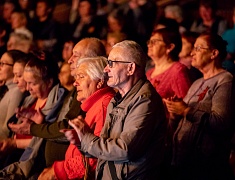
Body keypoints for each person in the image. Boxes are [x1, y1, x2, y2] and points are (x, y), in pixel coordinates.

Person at [3, 38, 107, 179]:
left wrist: (32, 130)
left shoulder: (101, 104)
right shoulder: (82, 94)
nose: (69, 59)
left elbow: (95, 155)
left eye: (75, 55)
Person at [64, 40, 167, 179]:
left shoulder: (145, 100)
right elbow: (105, 148)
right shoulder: (116, 99)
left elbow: (125, 149)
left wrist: (88, 139)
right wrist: (81, 141)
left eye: (112, 63)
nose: (106, 69)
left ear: (130, 69)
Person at [164, 33, 235, 179]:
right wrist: (175, 112)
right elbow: (183, 119)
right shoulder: (197, 82)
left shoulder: (225, 80)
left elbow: (220, 122)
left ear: (214, 53)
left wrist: (186, 110)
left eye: (198, 48)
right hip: (184, 162)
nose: (192, 53)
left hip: (206, 167)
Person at [38, 56, 116, 179]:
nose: (75, 82)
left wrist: (58, 171)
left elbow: (97, 158)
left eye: (81, 76)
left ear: (100, 81)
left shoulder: (104, 106)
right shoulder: (96, 105)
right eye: (76, 77)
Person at [0, 50, 24, 141]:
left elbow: (7, 130)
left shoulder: (17, 91)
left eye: (3, 63)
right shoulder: (7, 89)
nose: (0, 67)